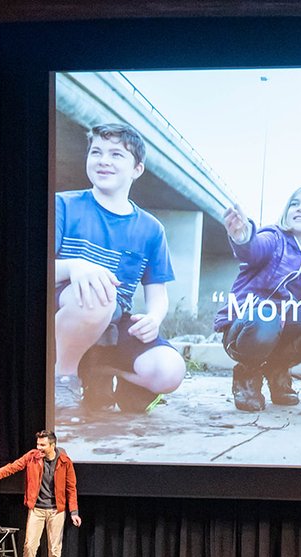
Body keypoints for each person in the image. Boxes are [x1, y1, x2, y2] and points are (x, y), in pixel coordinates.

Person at [53, 121, 186, 413]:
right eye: (96, 152)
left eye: (116, 155)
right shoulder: (63, 205)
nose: (103, 161)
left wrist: (154, 317)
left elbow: (157, 292)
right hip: (63, 313)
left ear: (137, 169)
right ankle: (63, 376)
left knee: (170, 370)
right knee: (98, 294)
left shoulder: (151, 229)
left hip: (113, 322)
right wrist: (75, 267)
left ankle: (101, 368)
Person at [216, 187, 301, 412]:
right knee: (267, 315)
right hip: (245, 330)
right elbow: (253, 250)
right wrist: (243, 236)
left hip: (280, 335)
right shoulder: (274, 238)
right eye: (295, 203)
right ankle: (247, 376)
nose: (300, 207)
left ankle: (277, 370)